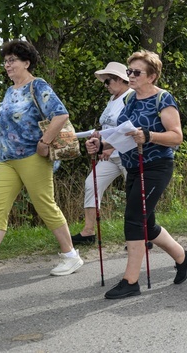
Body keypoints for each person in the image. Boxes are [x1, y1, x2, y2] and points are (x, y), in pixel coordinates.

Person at [0, 40, 83, 283]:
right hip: (7, 159)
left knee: (44, 206)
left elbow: (60, 114)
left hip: (32, 157)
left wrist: (45, 142)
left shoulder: (37, 86)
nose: (7, 65)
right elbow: (3, 130)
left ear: (26, 62)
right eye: (5, 61)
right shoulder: (9, 92)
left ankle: (71, 255)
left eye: (12, 60)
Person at [86, 50, 187, 299]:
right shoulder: (129, 100)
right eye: (129, 71)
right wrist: (102, 146)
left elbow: (176, 136)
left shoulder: (163, 99)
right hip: (134, 165)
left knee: (134, 218)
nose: (131, 76)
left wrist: (149, 136)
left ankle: (130, 281)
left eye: (136, 72)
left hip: (156, 166)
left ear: (152, 76)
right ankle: (183, 256)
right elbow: (123, 136)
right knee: (147, 223)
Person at [71, 62, 133, 245]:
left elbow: (129, 127)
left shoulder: (130, 98)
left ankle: (141, 235)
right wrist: (101, 144)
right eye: (105, 82)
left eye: (108, 81)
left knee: (134, 194)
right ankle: (88, 231)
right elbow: (108, 126)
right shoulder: (112, 100)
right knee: (91, 184)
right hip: (109, 154)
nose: (106, 85)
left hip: (126, 154)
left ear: (121, 79)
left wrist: (111, 146)